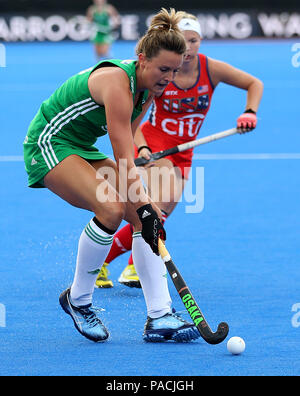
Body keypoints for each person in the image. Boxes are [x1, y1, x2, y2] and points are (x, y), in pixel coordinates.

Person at [23, 8, 201, 344]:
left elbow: (130, 146)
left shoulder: (149, 89)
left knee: (145, 218)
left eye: (174, 71)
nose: (168, 77)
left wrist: (148, 211)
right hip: (49, 142)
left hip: (82, 146)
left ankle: (160, 315)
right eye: (163, 68)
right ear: (141, 58)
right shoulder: (117, 82)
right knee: (110, 208)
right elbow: (122, 156)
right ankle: (79, 301)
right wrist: (146, 202)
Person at [96, 11, 264, 289]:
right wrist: (144, 146)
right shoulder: (162, 73)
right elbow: (133, 122)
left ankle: (108, 263)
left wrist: (249, 112)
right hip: (155, 146)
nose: (189, 48)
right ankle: (132, 267)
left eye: (195, 40)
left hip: (184, 152)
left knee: (156, 215)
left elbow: (253, 84)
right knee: (154, 212)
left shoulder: (211, 69)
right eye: (184, 42)